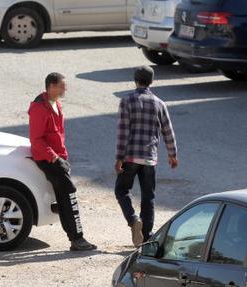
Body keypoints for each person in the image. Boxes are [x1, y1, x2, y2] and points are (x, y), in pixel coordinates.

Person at [28, 72, 97, 252]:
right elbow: (36, 139)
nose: (65, 88)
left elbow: (56, 134)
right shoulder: (39, 108)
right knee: (69, 194)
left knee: (64, 197)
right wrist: (54, 158)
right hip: (48, 160)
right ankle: (77, 239)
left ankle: (74, 237)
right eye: (61, 85)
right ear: (51, 86)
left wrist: (61, 157)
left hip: (58, 159)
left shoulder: (55, 103)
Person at [114, 66, 178, 247]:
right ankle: (147, 237)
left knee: (121, 190)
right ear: (151, 81)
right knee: (148, 196)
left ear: (135, 80)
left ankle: (133, 220)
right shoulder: (159, 103)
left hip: (130, 157)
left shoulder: (126, 101)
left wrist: (119, 158)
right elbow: (168, 130)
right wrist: (172, 154)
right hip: (150, 158)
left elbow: (122, 132)